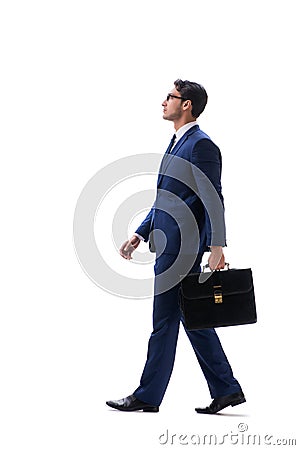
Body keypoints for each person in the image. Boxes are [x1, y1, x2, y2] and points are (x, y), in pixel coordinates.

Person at [106, 79, 245, 414]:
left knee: (165, 322)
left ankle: (148, 396)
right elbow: (166, 198)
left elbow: (213, 196)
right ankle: (226, 388)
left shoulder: (201, 145)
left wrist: (217, 244)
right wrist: (140, 233)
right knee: (188, 318)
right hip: (168, 243)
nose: (163, 101)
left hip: (183, 247)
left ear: (186, 105)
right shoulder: (176, 143)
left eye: (170, 97)